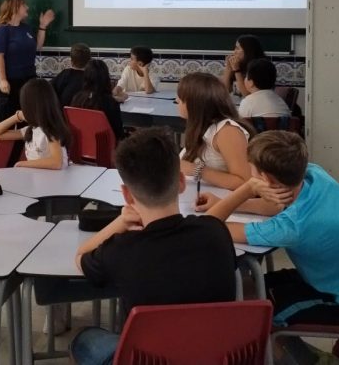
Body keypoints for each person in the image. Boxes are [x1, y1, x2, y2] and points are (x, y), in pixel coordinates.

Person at [70, 128, 237, 365]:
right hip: (214, 356)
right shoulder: (215, 232)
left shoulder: (121, 251)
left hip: (148, 359)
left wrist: (120, 222)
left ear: (127, 196)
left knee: (84, 338)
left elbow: (81, 255)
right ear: (181, 182)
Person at [203, 130, 339, 328]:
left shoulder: (292, 226)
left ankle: (297, 348)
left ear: (265, 179)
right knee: (247, 288)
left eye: (251, 171)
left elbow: (208, 228)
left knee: (258, 319)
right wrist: (224, 203)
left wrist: (247, 190)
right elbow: (275, 206)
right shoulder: (315, 175)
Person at [175, 72, 251, 190]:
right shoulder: (201, 128)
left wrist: (195, 169)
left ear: (196, 103)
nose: (176, 100)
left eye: (180, 98)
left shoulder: (227, 131)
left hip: (221, 199)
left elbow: (245, 182)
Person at [0, 0, 55, 121]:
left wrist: (43, 26)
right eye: (23, 5)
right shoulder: (2, 29)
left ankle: (25, 134)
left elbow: (38, 46)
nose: (27, 7)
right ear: (14, 8)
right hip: (11, 80)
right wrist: (3, 80)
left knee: (28, 114)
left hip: (29, 79)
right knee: (7, 116)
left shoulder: (25, 28)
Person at [0, 78, 70, 170]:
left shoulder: (51, 131)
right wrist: (17, 117)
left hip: (55, 177)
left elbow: (56, 163)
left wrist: (22, 164)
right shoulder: (30, 130)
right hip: (38, 176)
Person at [69, 59, 125, 141]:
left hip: (81, 144)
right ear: (106, 78)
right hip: (105, 146)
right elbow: (118, 133)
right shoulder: (110, 103)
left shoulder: (77, 98)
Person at [51, 42, 91, 107]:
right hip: (84, 113)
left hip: (63, 111)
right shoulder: (91, 77)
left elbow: (49, 89)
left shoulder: (64, 74)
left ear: (71, 61)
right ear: (89, 61)